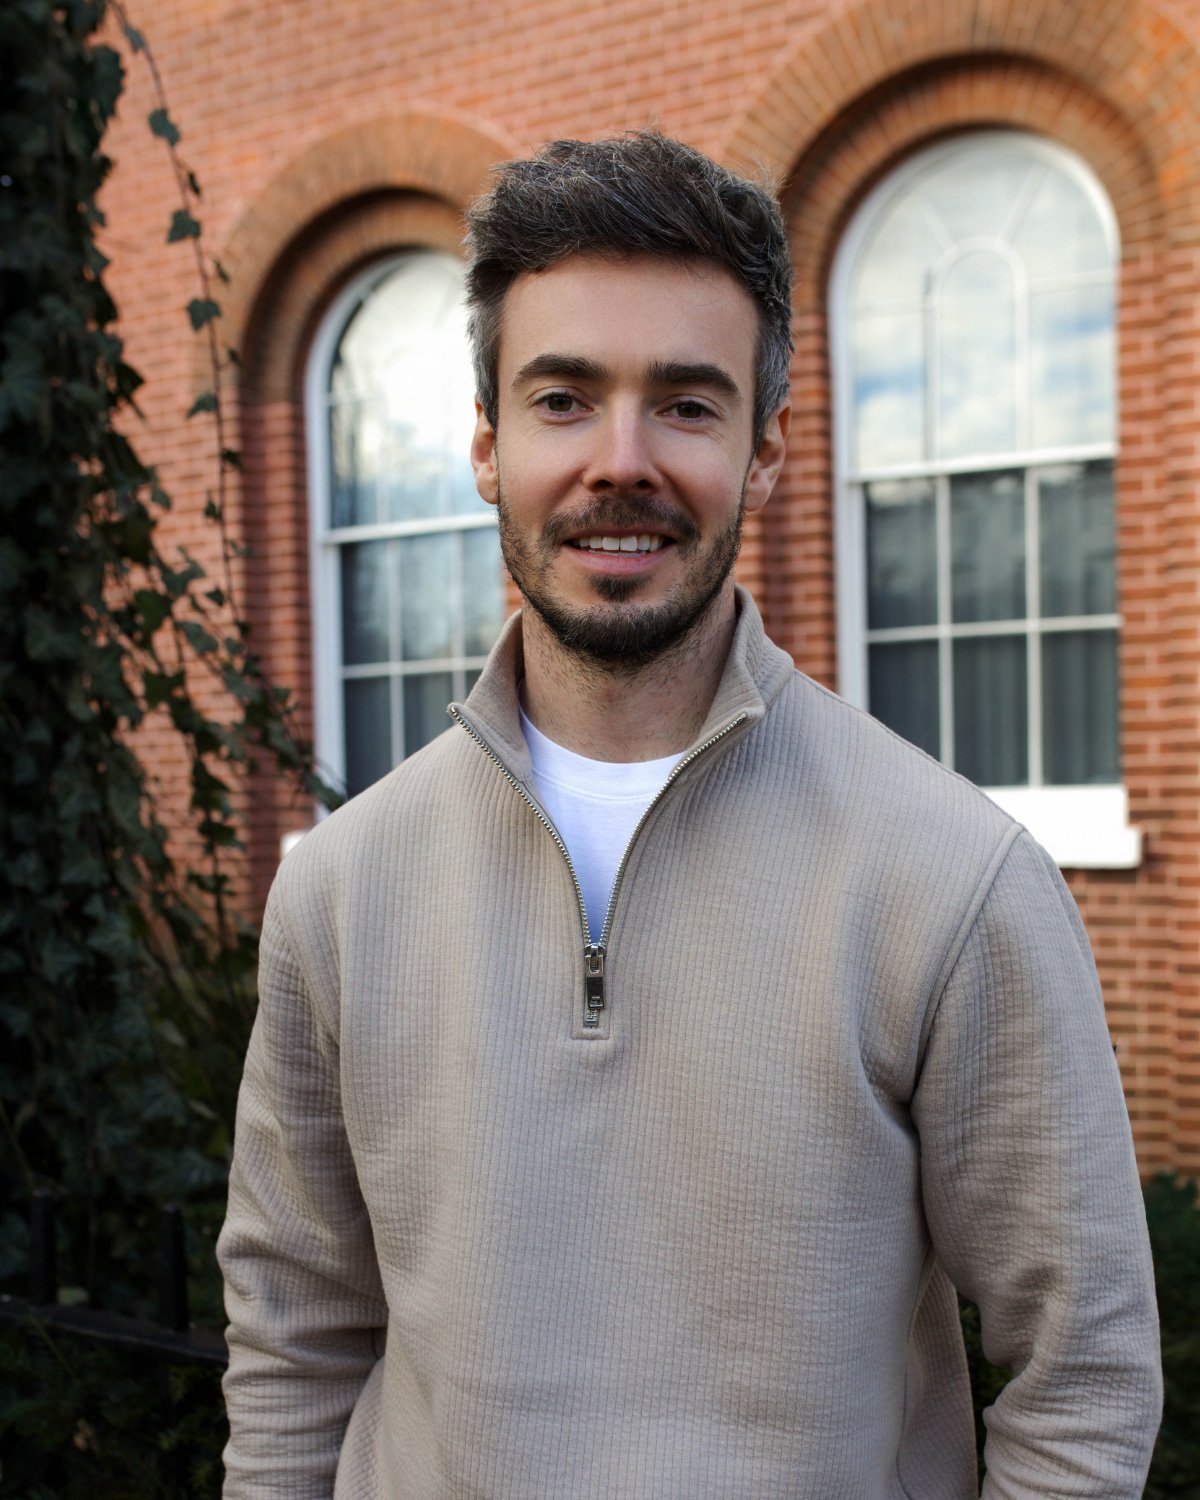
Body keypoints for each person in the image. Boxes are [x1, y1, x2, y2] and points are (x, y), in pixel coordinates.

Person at [218, 133, 1161, 1498]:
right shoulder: (341, 888)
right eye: (562, 399)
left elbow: (1085, 1379)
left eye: (685, 404)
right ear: (485, 445)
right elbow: (291, 1342)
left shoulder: (955, 880)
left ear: (764, 454)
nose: (621, 461)